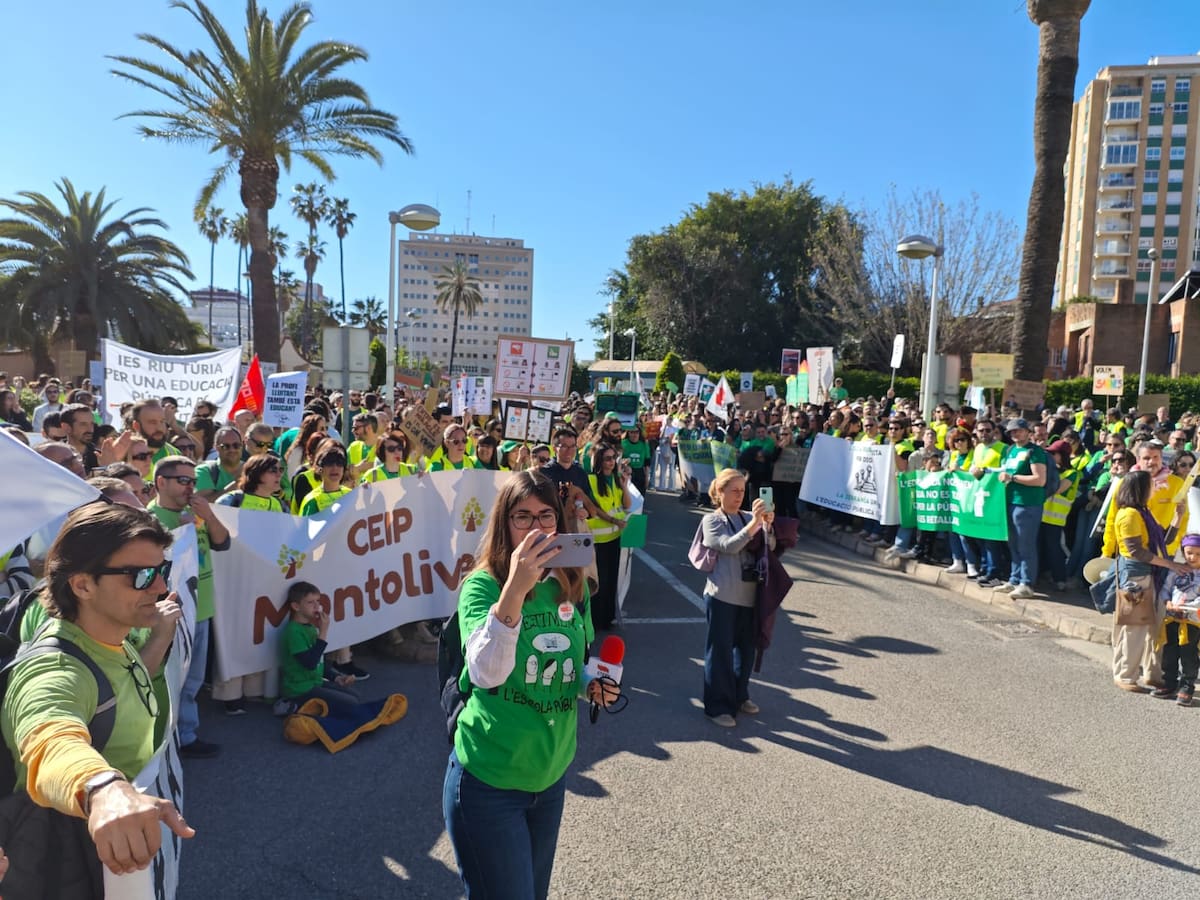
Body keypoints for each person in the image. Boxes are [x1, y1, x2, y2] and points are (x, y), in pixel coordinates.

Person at [0, 502, 194, 889]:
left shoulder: (112, 638)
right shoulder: (56, 668)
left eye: (162, 571)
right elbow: (50, 738)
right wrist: (102, 789)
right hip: (71, 869)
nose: (159, 587)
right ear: (83, 585)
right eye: (140, 576)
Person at [442, 470, 616, 900]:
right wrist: (516, 590)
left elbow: (573, 664)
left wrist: (593, 685)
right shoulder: (483, 586)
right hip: (489, 781)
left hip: (550, 777)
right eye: (522, 516)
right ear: (504, 523)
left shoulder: (570, 582)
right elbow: (486, 673)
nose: (536, 528)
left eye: (545, 516)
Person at [148, 455, 229, 758]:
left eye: (193, 481)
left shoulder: (194, 512)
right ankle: (162, 742)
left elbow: (222, 543)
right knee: (169, 680)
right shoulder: (150, 518)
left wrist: (207, 517)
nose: (190, 487)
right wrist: (180, 535)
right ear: (161, 482)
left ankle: (187, 735)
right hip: (170, 612)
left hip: (202, 606)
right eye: (183, 480)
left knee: (193, 679)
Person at [700, 468, 775, 728]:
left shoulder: (748, 517)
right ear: (720, 492)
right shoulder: (712, 520)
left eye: (743, 491)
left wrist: (768, 526)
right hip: (722, 596)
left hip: (750, 596)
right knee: (720, 652)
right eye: (734, 491)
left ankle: (740, 695)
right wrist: (755, 525)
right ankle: (717, 706)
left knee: (746, 650)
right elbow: (727, 546)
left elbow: (772, 547)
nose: (740, 496)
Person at [1110, 470, 1188, 693]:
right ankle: (1125, 675)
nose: (1155, 488)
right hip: (1137, 576)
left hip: (1149, 574)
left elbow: (1162, 540)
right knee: (1134, 627)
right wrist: (1170, 564)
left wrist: (1177, 517)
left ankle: (1150, 675)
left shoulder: (1143, 512)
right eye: (1151, 485)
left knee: (1151, 627)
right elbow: (1136, 551)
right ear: (1141, 489)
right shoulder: (1129, 515)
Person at [276, 581, 358, 717]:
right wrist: (323, 632)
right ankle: (293, 705)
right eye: (310, 602)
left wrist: (336, 677)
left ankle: (317, 708)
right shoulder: (293, 631)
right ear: (296, 606)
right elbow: (310, 664)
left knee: (356, 696)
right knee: (351, 704)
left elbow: (319, 661)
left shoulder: (311, 628)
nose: (317, 606)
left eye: (318, 601)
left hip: (314, 682)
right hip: (299, 688)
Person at [994, 418, 1046, 599]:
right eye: (1011, 431)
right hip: (1010, 501)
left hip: (1027, 503)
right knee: (1013, 543)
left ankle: (1027, 583)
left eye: (1018, 430)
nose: (1015, 434)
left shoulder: (1035, 451)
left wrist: (1013, 478)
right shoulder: (1010, 450)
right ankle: (1015, 579)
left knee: (1026, 545)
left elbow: (1040, 480)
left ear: (1027, 431)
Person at [586, 443, 632, 631]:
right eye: (607, 458)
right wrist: (612, 519)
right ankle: (595, 620)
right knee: (599, 581)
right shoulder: (590, 479)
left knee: (611, 579)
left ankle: (607, 618)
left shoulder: (615, 479)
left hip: (615, 537)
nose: (611, 462)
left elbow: (627, 504)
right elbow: (594, 507)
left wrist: (624, 484)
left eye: (613, 458)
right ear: (598, 460)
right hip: (597, 539)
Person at [1156, 533, 1200, 706]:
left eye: (1198, 554)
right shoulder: (1176, 570)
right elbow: (1166, 589)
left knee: (1189, 654)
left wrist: (1187, 606)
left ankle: (1187, 687)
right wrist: (1167, 602)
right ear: (1183, 551)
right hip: (1171, 619)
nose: (1193, 557)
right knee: (1169, 651)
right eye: (1189, 553)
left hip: (1191, 622)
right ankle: (1169, 682)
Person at [622, 423, 650, 495]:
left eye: (636, 432)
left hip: (640, 473)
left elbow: (647, 462)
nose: (634, 435)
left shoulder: (644, 444)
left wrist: (647, 478)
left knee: (640, 497)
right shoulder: (623, 443)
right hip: (627, 473)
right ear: (628, 433)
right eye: (632, 432)